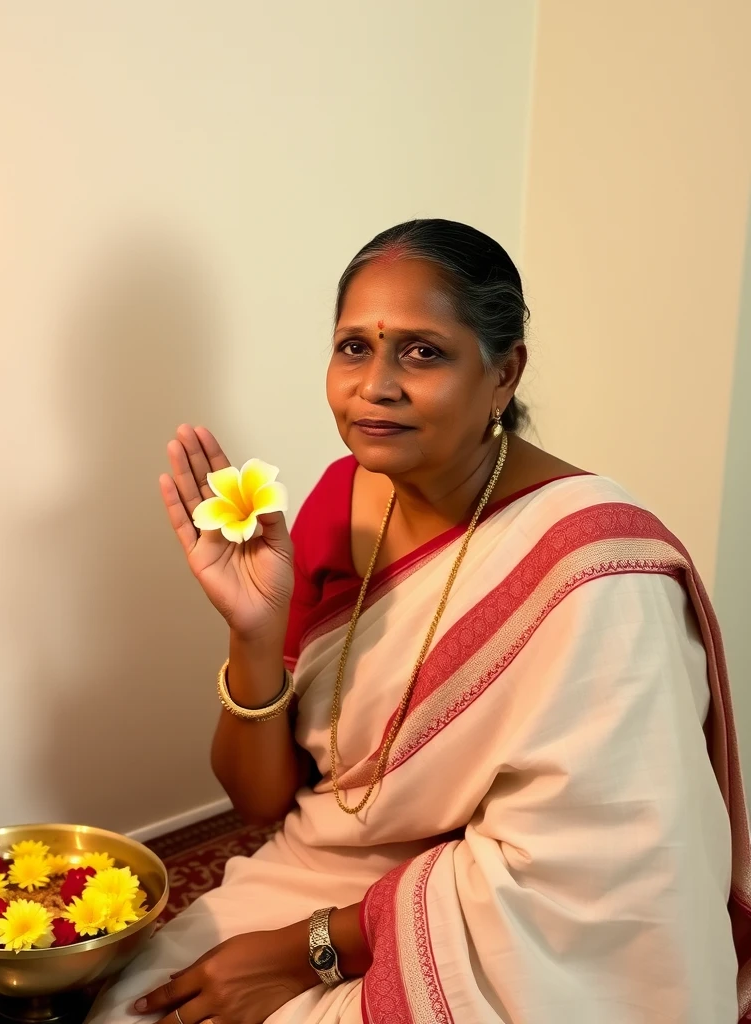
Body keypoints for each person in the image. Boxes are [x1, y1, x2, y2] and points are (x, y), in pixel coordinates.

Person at [85, 219, 751, 1023]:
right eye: (354, 348)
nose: (375, 386)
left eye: (423, 352)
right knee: (131, 1011)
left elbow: (591, 878)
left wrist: (302, 951)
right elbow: (264, 803)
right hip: (325, 869)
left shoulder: (600, 570)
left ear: (503, 373)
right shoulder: (338, 498)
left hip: (503, 929)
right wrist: (252, 633)